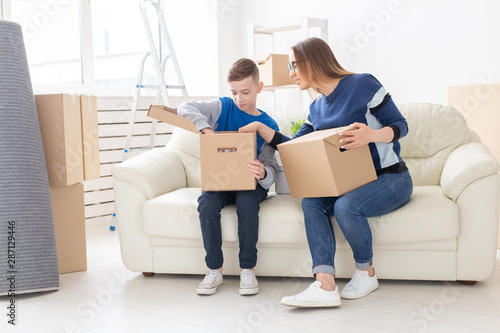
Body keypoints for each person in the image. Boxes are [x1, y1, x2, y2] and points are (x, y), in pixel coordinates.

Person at [239, 37, 413, 307]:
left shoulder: (362, 84)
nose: (291, 73)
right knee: (311, 204)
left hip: (391, 178)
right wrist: (263, 129)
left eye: (294, 65)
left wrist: (372, 135)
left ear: (313, 61)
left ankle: (366, 272)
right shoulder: (316, 108)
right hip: (352, 183)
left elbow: (400, 124)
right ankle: (324, 284)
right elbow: (293, 147)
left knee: (346, 206)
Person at [177, 58, 280, 296]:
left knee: (246, 203)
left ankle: (247, 269)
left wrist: (263, 172)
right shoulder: (222, 107)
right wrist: (207, 131)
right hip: (221, 179)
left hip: (250, 183)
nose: (239, 99)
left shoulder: (267, 124)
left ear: (259, 87)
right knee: (206, 202)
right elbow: (185, 107)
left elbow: (271, 165)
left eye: (245, 92)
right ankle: (214, 270)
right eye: (234, 92)